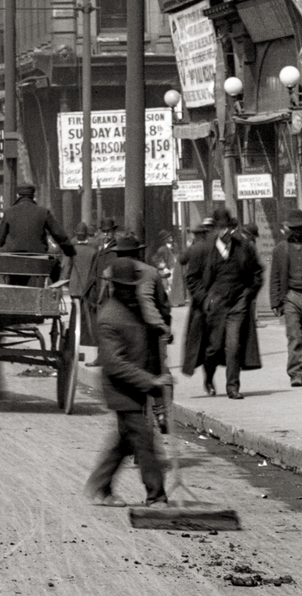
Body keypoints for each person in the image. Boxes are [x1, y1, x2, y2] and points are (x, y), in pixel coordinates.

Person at [84, 231, 173, 509]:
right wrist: (151, 381)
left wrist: (162, 373)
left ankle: (100, 486)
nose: (128, 290)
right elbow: (115, 364)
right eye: (123, 286)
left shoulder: (133, 309)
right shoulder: (110, 317)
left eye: (130, 285)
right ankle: (156, 496)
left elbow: (148, 345)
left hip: (136, 385)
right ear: (115, 286)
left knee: (125, 441)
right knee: (145, 441)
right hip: (120, 388)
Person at [201, 207, 264, 399]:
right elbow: (195, 277)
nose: (224, 232)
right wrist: (204, 299)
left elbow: (257, 273)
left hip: (237, 303)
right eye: (220, 228)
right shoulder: (207, 249)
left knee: (233, 345)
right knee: (213, 348)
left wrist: (248, 294)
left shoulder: (243, 247)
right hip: (216, 304)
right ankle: (209, 377)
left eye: (227, 227)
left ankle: (232, 386)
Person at [269, 209, 302, 387]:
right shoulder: (280, 250)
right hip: (290, 296)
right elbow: (275, 277)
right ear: (288, 229)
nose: (297, 231)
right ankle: (296, 373)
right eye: (293, 228)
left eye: (299, 228)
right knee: (294, 336)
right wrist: (276, 301)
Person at [0, 184, 76, 281]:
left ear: (18, 196)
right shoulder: (43, 212)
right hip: (38, 258)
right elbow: (59, 234)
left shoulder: (9, 212)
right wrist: (69, 250)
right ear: (33, 196)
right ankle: (54, 290)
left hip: (13, 258)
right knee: (56, 269)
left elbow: (0, 238)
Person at [180, 217, 217, 391]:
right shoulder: (216, 247)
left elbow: (181, 260)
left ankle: (205, 375)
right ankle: (209, 377)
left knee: (198, 341)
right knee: (214, 343)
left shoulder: (194, 249)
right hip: (216, 300)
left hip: (200, 303)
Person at [150, 230, 181, 307]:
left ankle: (176, 300)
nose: (171, 237)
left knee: (174, 284)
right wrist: (164, 267)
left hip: (175, 268)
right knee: (169, 286)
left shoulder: (175, 246)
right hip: (169, 269)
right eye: (168, 237)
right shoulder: (162, 249)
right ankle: (171, 301)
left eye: (170, 236)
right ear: (164, 239)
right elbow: (158, 259)